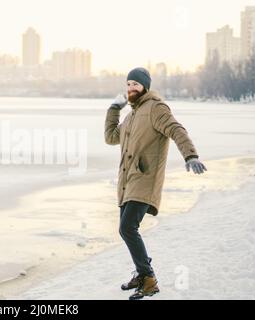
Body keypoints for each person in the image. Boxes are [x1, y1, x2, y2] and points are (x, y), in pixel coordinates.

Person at [104, 67, 207, 300]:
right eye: (128, 84)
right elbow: (111, 137)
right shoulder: (131, 116)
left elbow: (175, 129)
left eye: (136, 84)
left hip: (145, 178)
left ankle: (149, 279)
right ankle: (142, 275)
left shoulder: (155, 108)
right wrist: (113, 109)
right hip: (127, 182)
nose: (131, 88)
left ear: (145, 87)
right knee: (126, 228)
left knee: (127, 228)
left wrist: (190, 155)